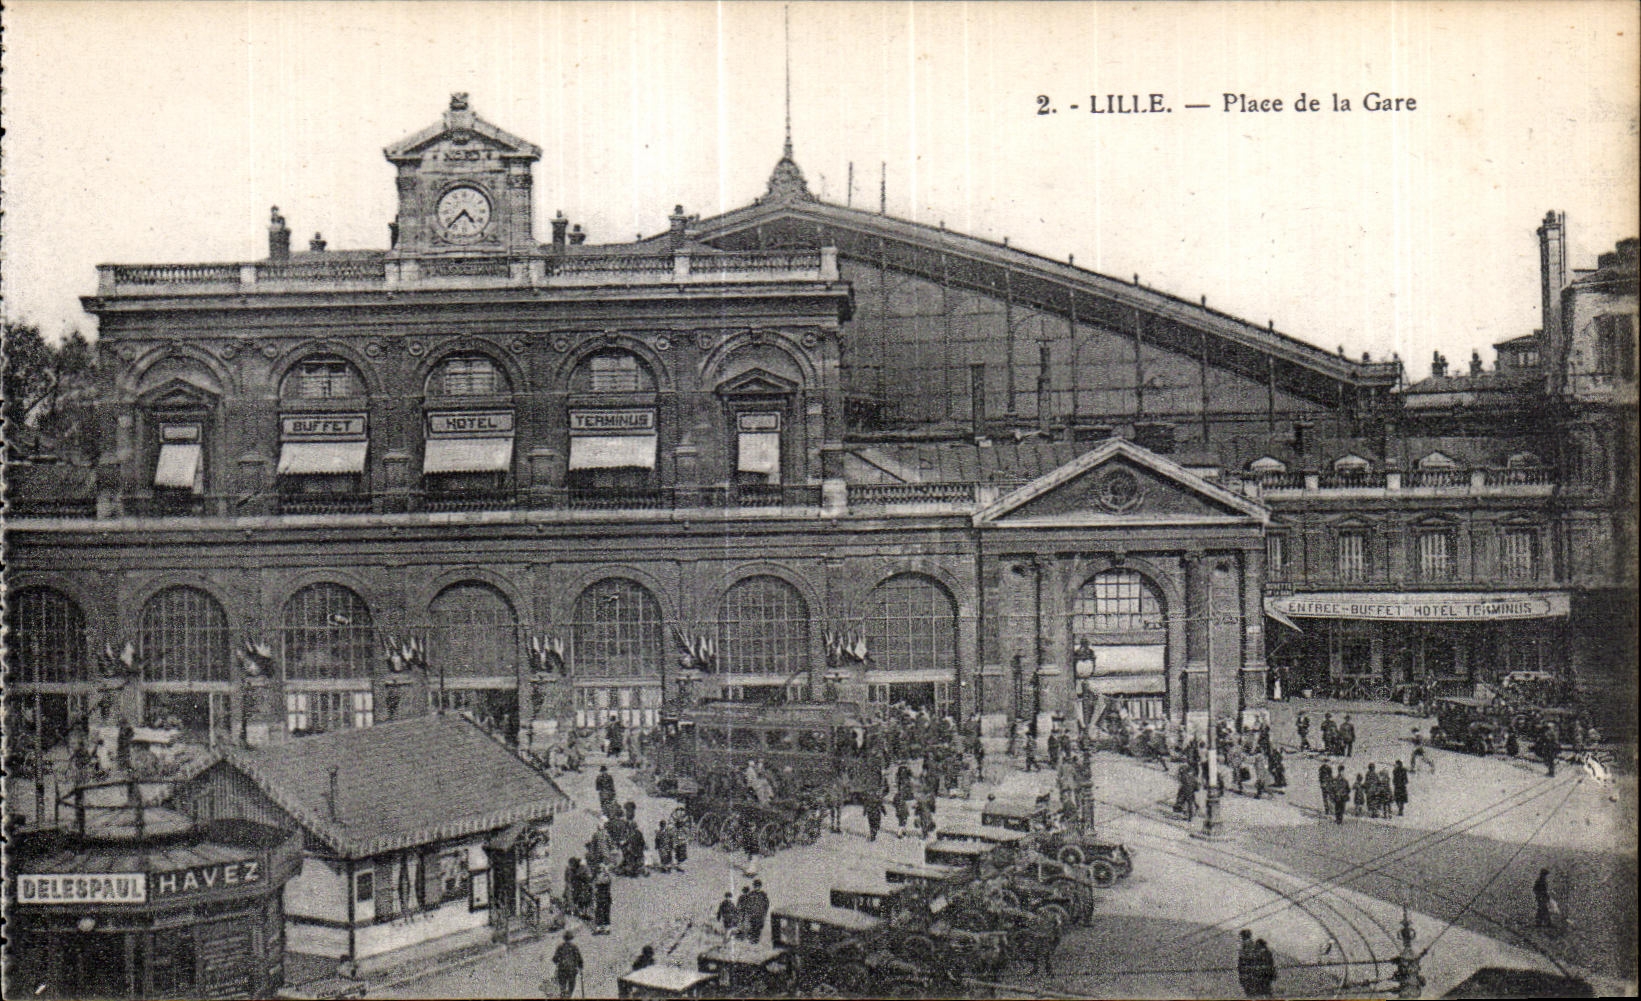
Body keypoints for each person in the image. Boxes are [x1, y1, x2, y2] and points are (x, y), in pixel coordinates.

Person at [551, 931, 583, 998]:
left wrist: (557, 961)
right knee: (571, 985)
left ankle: (563, 995)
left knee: (562, 986)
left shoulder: (560, 947)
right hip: (572, 970)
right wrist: (580, 966)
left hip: (562, 969)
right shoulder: (574, 947)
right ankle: (569, 996)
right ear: (571, 938)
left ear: (564, 938)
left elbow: (555, 959)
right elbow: (579, 959)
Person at [740, 878, 770, 943]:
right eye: (755, 886)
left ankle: (756, 940)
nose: (757, 887)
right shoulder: (751, 894)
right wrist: (748, 911)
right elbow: (747, 903)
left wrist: (764, 912)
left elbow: (766, 904)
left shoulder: (763, 895)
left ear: (760, 886)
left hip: (760, 914)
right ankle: (753, 940)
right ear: (754, 886)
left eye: (758, 886)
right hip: (752, 914)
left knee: (758, 927)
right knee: (753, 926)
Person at [1237, 929, 1259, 997]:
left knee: (1246, 978)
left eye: (1242, 936)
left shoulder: (1246, 943)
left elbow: (1243, 954)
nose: (1241, 937)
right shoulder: (1251, 942)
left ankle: (1249, 992)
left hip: (1246, 962)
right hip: (1250, 962)